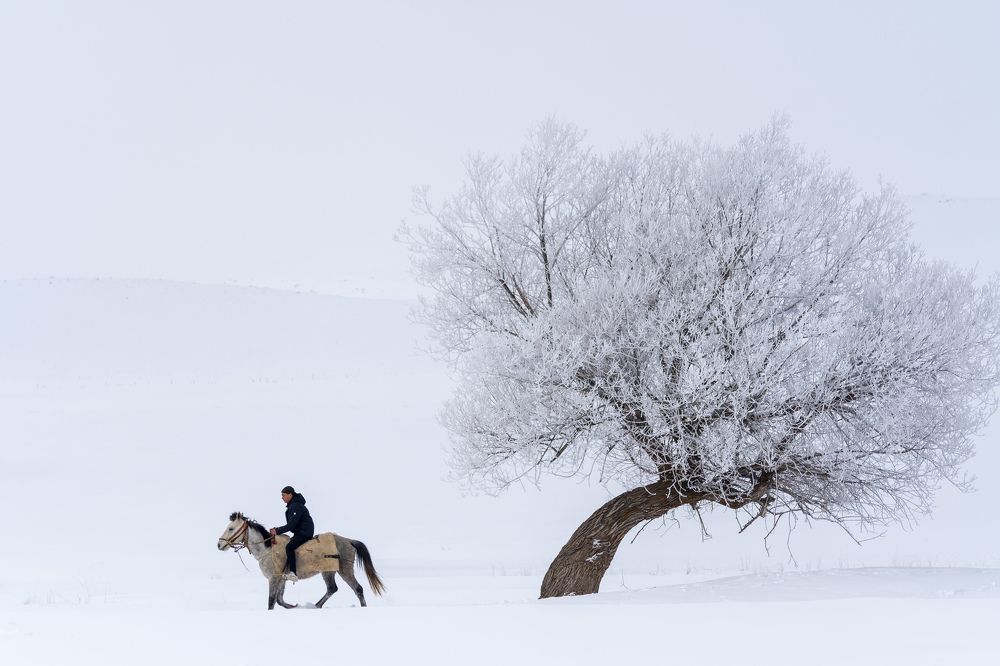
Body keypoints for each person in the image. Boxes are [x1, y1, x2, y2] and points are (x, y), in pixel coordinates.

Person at [269, 485, 315, 581]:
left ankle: (293, 573)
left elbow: (291, 525)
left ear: (290, 494)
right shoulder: (293, 505)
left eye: (284, 495)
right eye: (282, 495)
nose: (282, 498)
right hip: (300, 532)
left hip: (305, 532)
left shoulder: (296, 506)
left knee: (289, 547)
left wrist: (277, 530)